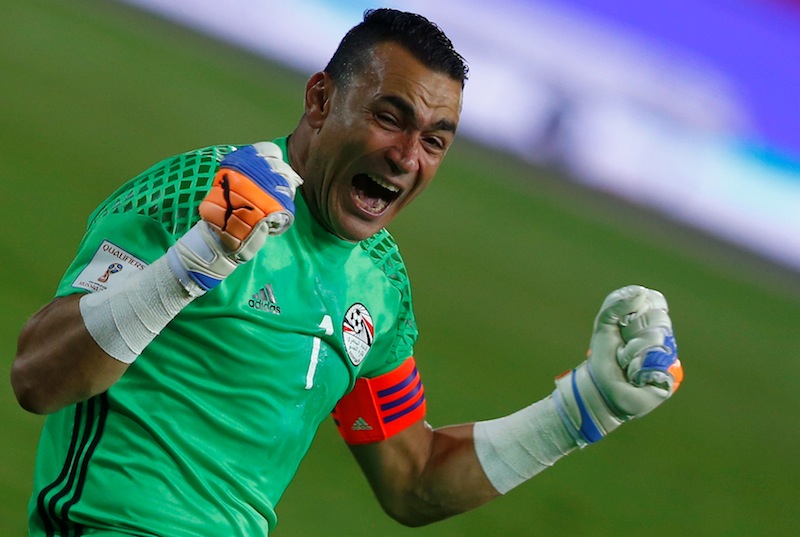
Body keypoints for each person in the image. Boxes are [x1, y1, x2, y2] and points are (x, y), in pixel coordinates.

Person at [12, 8, 683, 537]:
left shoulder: (378, 284)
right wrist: (194, 263)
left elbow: (412, 477)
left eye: (434, 140)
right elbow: (38, 378)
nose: (407, 157)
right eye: (390, 118)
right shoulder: (198, 194)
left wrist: (584, 408)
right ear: (320, 99)